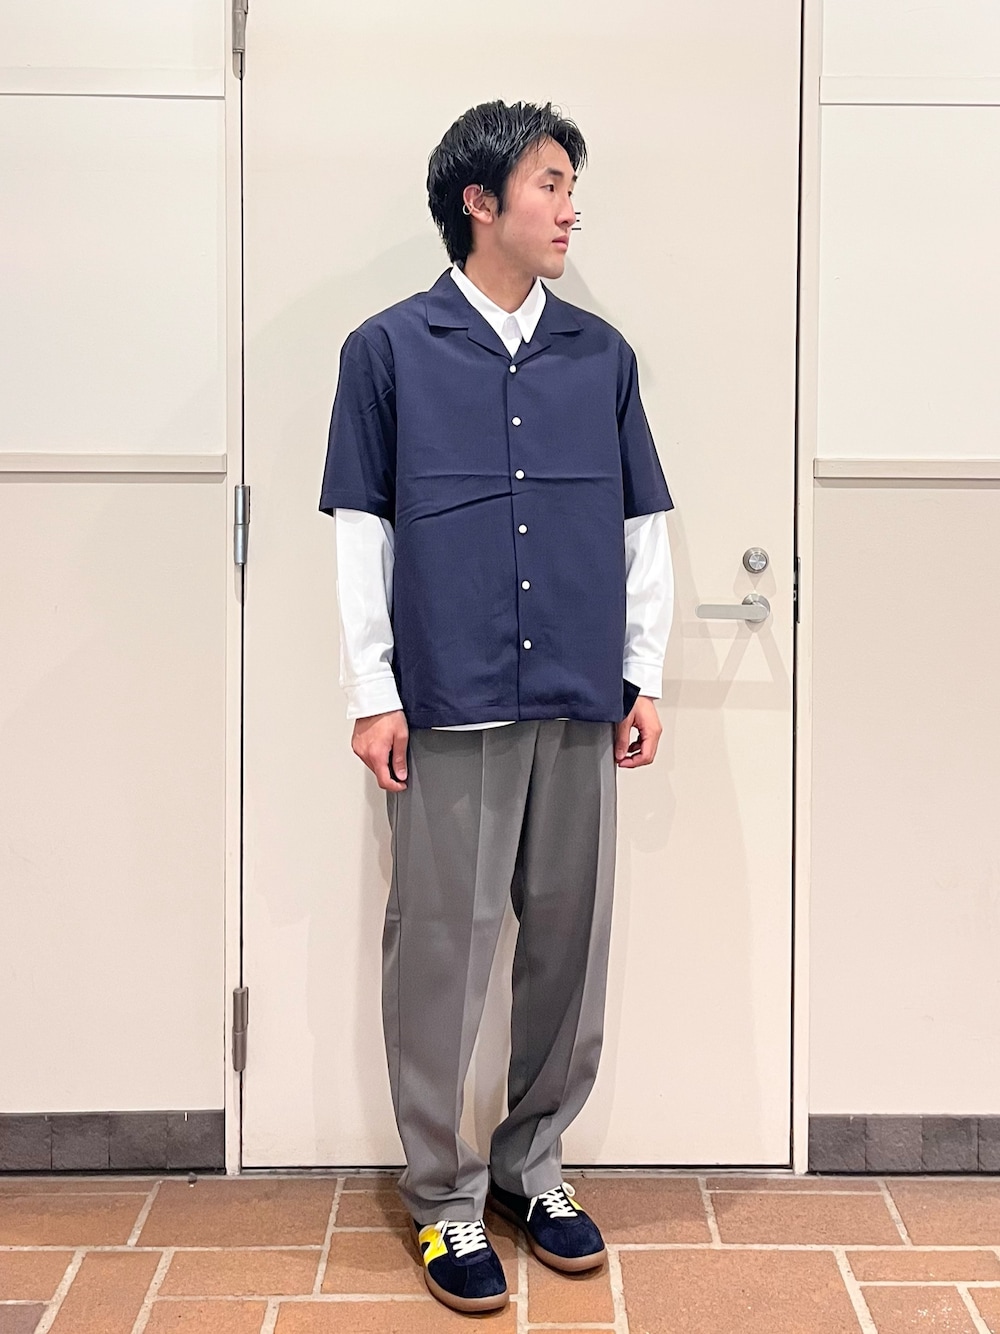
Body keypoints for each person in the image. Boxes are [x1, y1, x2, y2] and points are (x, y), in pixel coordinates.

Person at [319, 99, 674, 1317]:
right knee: (442, 950)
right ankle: (441, 1194)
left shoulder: (601, 356)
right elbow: (361, 531)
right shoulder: (386, 350)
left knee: (567, 945)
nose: (571, 208)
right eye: (550, 183)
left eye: (571, 185)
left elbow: (642, 523)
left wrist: (643, 672)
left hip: (577, 696)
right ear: (480, 202)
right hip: (449, 699)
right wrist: (373, 691)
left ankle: (533, 1166)